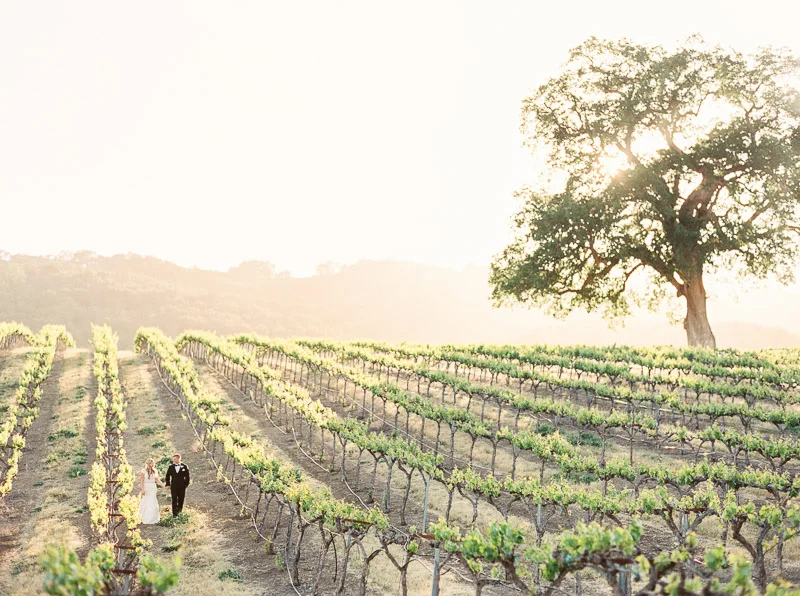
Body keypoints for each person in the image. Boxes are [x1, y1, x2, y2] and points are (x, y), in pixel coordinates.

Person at [138, 458, 165, 524]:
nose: (153, 464)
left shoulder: (155, 471)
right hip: (146, 487)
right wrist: (142, 489)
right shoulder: (143, 471)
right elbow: (142, 481)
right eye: (151, 463)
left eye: (153, 463)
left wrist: (164, 485)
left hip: (153, 487)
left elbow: (157, 480)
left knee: (152, 501)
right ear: (148, 464)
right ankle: (143, 517)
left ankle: (152, 518)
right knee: (145, 501)